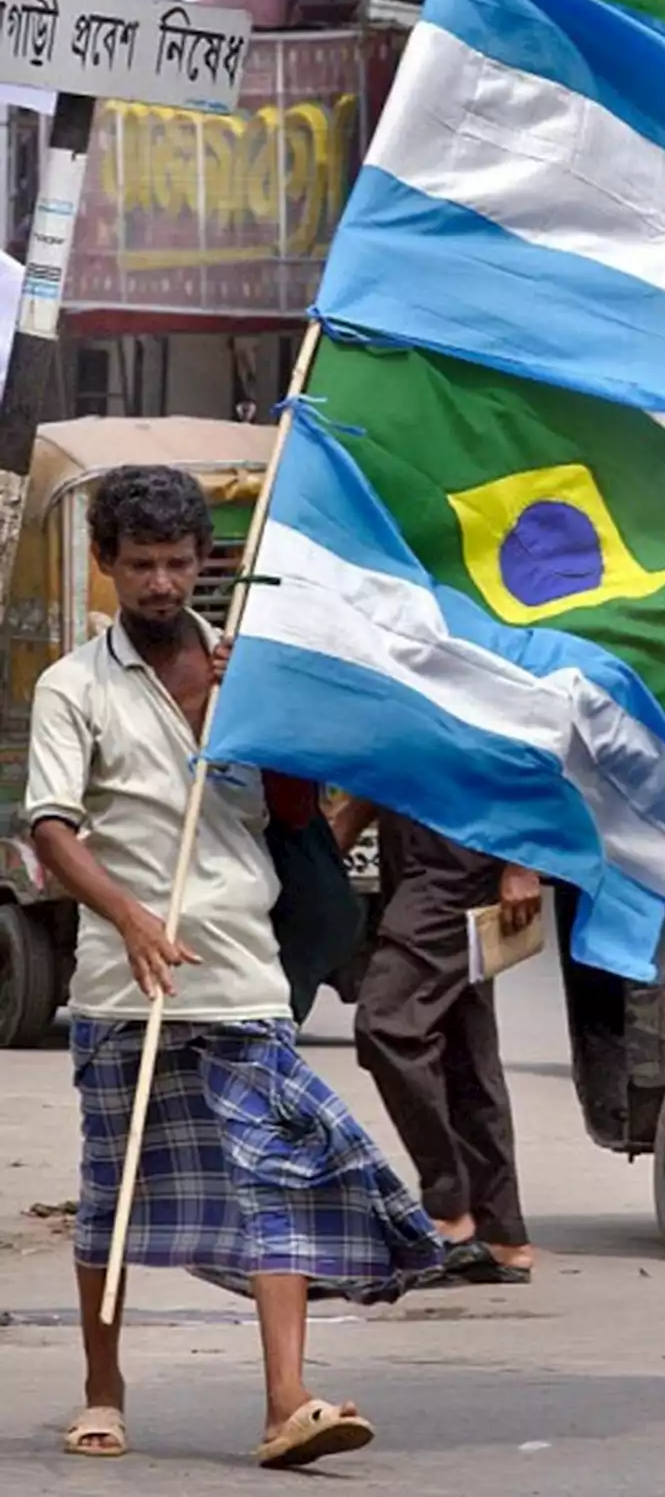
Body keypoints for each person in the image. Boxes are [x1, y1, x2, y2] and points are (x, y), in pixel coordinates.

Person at [24, 466, 443, 1469]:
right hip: (125, 992)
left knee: (278, 1181)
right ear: (107, 568)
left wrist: (293, 767)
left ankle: (287, 1400)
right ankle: (103, 1387)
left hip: (245, 975)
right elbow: (48, 825)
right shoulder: (73, 686)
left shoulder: (253, 672)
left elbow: (300, 814)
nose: (161, 584)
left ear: (205, 564)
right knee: (109, 1196)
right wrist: (126, 916)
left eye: (177, 564)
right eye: (141, 567)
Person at [343, 804, 538, 1283]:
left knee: (387, 1022)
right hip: (411, 840)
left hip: (462, 847)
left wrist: (522, 859)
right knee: (460, 1041)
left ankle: (449, 1208)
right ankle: (501, 1233)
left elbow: (530, 743)